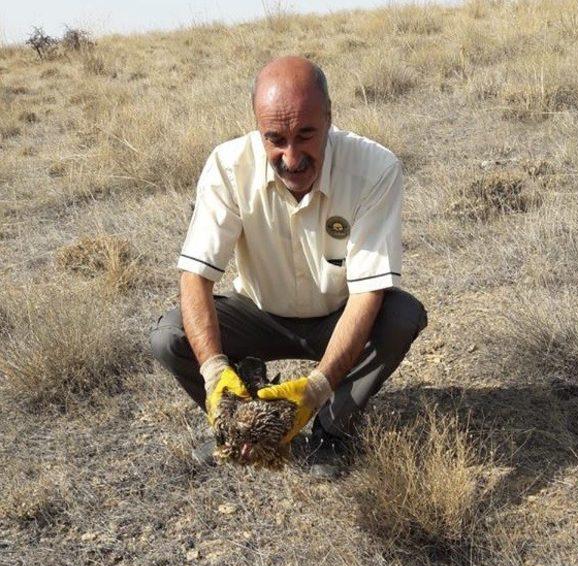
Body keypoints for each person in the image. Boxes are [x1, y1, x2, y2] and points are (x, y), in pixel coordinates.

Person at [150, 56, 427, 462]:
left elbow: (369, 293)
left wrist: (315, 389)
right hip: (258, 313)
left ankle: (332, 430)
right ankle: (240, 422)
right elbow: (195, 276)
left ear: (330, 118)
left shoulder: (374, 168)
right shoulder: (228, 167)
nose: (291, 157)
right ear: (257, 128)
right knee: (169, 336)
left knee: (401, 315)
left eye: (306, 135)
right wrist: (212, 372)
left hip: (339, 314)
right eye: (275, 139)